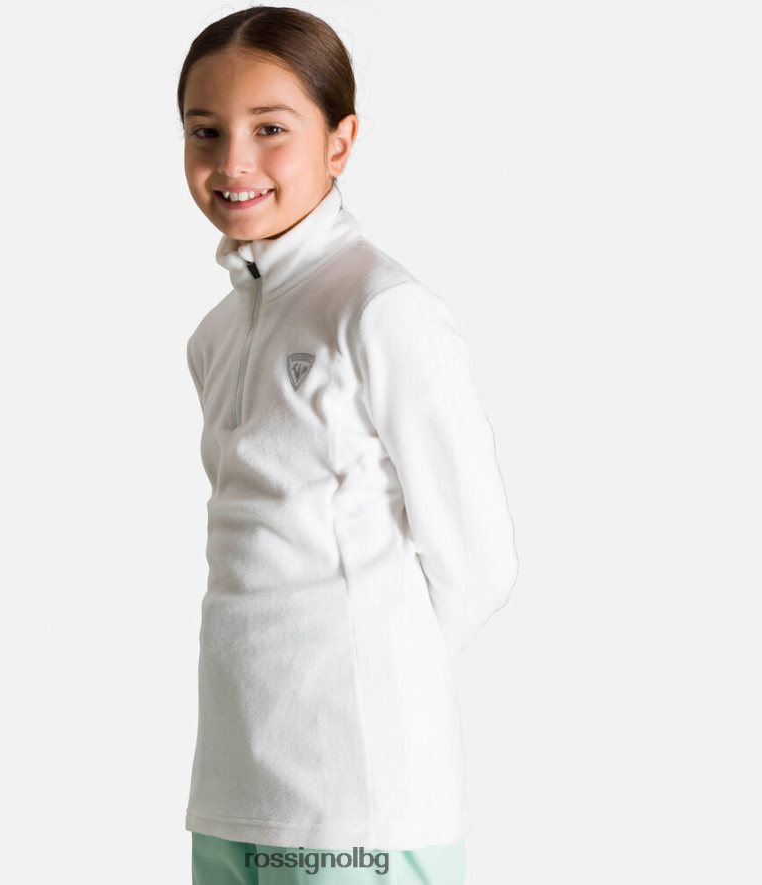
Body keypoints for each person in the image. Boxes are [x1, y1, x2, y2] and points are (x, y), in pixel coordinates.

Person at [178, 6, 519, 883]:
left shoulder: (380, 307)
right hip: (232, 787)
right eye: (205, 131)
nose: (233, 161)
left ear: (340, 142)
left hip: (359, 802)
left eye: (270, 129)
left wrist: (366, 678)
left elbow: (477, 561)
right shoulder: (216, 336)